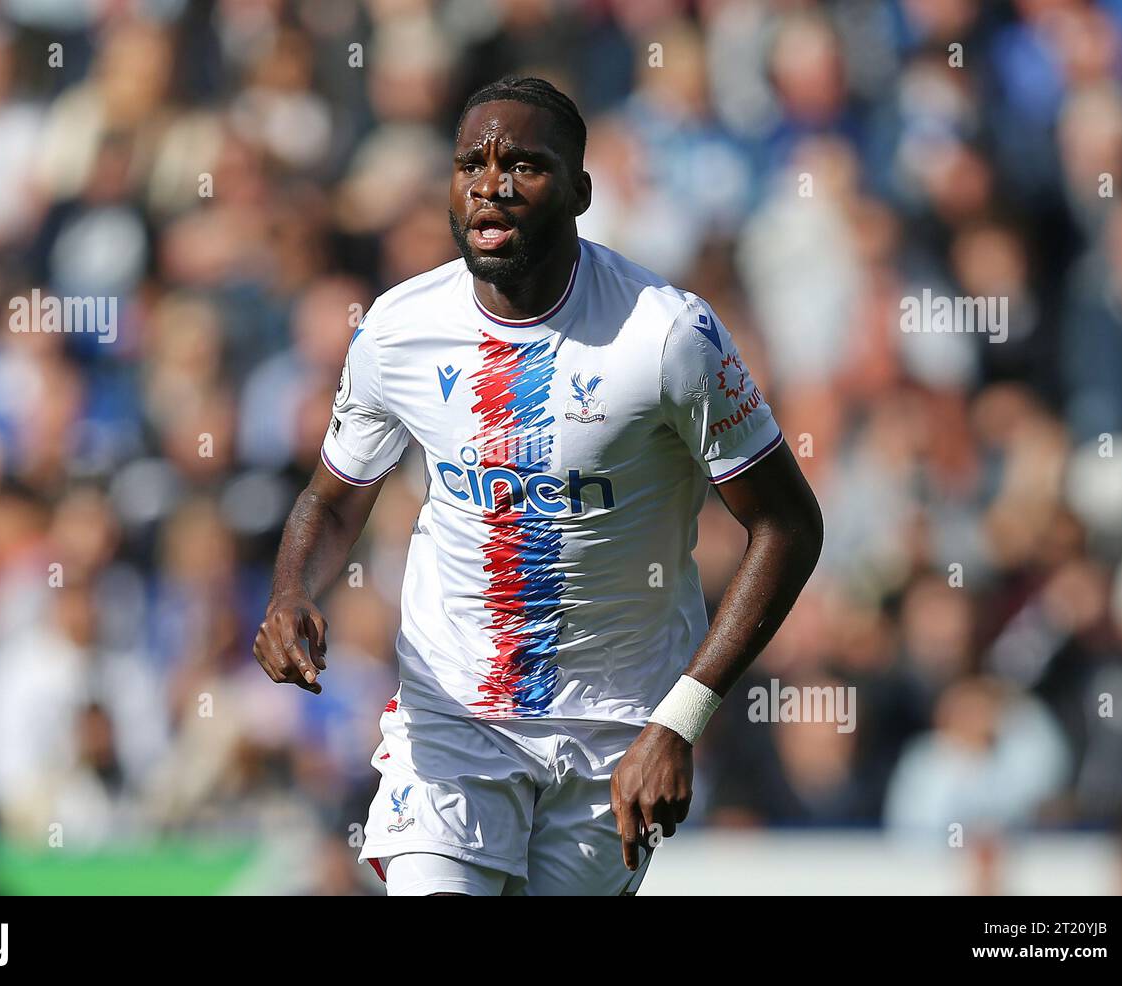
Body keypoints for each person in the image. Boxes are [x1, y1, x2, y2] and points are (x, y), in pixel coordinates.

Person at [253, 76, 823, 896]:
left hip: (616, 732)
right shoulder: (397, 330)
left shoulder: (667, 336)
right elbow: (336, 496)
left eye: (525, 164)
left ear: (582, 192)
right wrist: (290, 590)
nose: (492, 183)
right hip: (453, 716)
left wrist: (681, 720)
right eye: (471, 164)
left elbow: (788, 527)